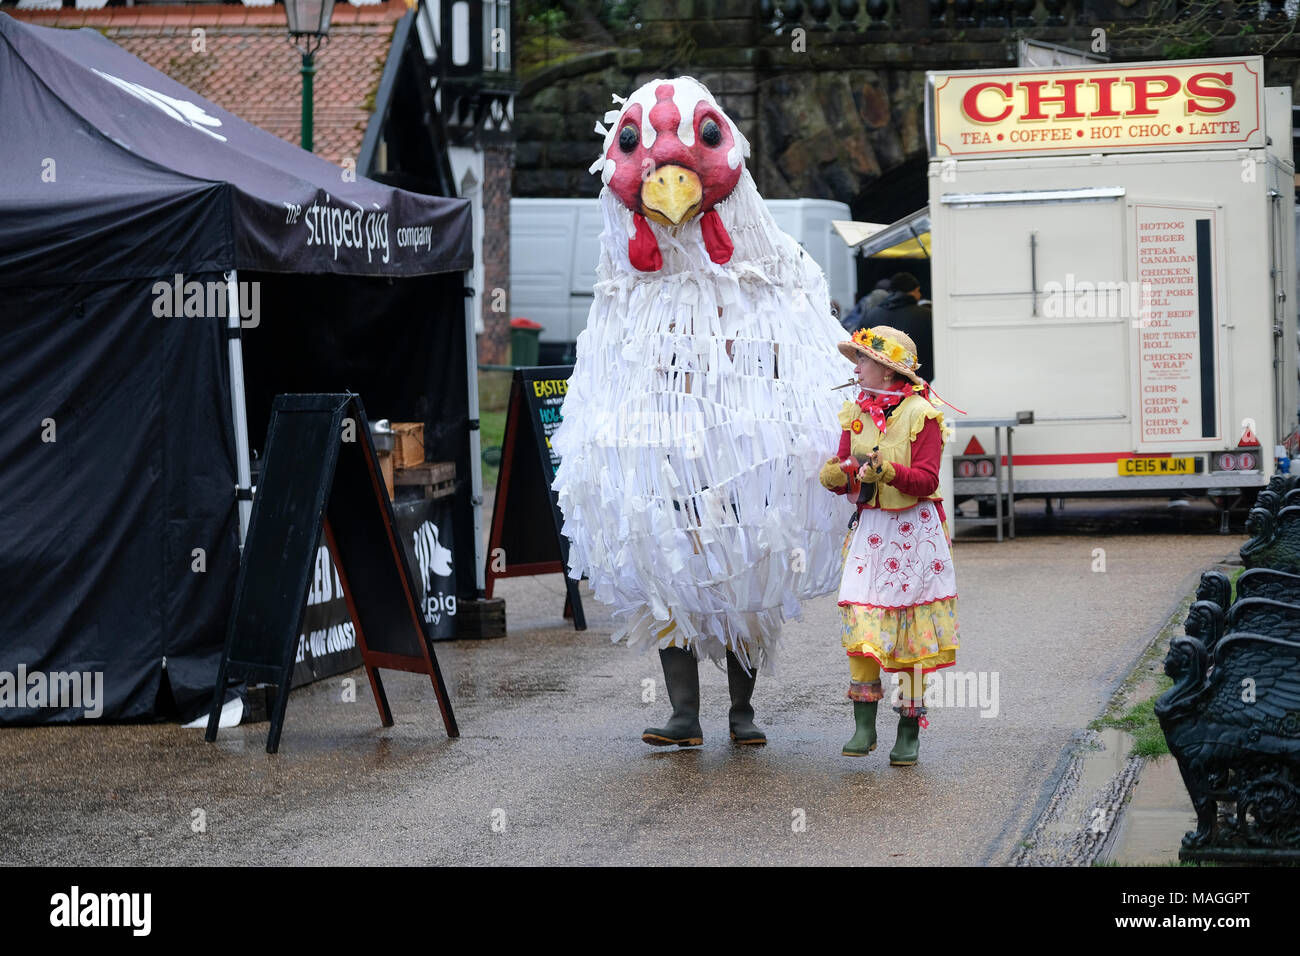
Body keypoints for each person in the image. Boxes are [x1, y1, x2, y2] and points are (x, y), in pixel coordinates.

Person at [817, 325, 959, 765]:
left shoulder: (922, 413)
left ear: (886, 370)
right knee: (862, 625)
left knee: (912, 637)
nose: (856, 367)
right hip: (871, 534)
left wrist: (890, 474)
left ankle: (908, 730)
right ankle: (863, 728)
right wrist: (841, 473)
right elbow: (845, 467)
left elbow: (928, 481)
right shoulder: (855, 411)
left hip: (914, 537)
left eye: (862, 360)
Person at [852, 272, 935, 381]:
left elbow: (860, 349)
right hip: (917, 381)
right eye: (918, 290)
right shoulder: (927, 315)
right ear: (913, 291)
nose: (919, 295)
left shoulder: (872, 314)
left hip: (879, 383)